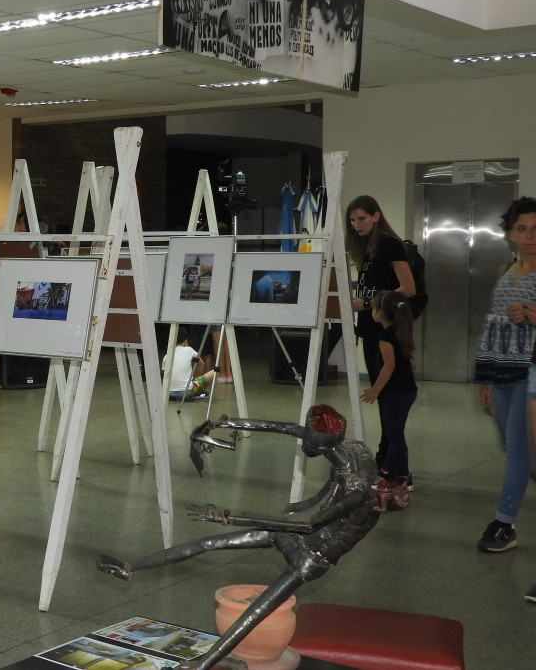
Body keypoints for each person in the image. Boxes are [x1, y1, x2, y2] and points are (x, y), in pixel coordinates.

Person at [98, 405, 381, 670]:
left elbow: (309, 524)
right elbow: (282, 427)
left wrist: (229, 517)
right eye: (306, 433)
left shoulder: (359, 489)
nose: (304, 440)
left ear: (324, 444)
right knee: (208, 543)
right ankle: (128, 568)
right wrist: (224, 423)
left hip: (312, 555)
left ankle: (203, 664)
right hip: (296, 532)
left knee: (256, 612)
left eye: (309, 439)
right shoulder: (350, 447)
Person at [475, 198, 536, 552]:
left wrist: (531, 315)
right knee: (517, 449)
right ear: (510, 234)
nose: (529, 236)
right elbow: (492, 325)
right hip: (501, 369)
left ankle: (504, 523)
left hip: (530, 370)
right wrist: (487, 376)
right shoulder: (505, 271)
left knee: (516, 448)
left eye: (535, 229)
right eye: (522, 229)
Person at [346, 195, 416, 387]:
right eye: (352, 220)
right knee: (377, 383)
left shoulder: (390, 244)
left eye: (361, 219)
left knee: (388, 384)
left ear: (375, 216)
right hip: (370, 323)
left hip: (387, 324)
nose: (356, 225)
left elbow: (408, 288)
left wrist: (367, 303)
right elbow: (373, 282)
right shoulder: (365, 246)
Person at [360, 290, 417, 512]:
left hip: (396, 392)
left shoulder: (385, 336)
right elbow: (409, 360)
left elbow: (389, 365)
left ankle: (402, 476)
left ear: (379, 313)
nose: (372, 312)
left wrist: (375, 389)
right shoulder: (400, 331)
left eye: (373, 308)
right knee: (394, 432)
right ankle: (389, 471)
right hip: (406, 391)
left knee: (394, 434)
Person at [164, 327, 215, 401]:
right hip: (186, 392)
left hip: (169, 393)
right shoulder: (189, 350)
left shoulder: (167, 355)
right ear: (185, 341)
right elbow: (201, 364)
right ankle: (198, 393)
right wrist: (195, 378)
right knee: (214, 372)